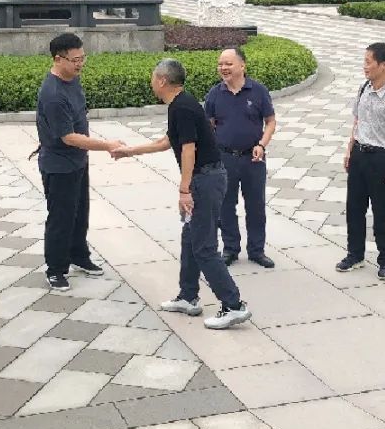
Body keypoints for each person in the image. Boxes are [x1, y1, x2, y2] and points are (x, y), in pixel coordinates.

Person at [113, 59, 252, 330]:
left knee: (204, 247)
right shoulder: (179, 105)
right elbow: (166, 142)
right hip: (206, 178)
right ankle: (188, 296)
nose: (151, 82)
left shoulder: (183, 107)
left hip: (204, 181)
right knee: (190, 238)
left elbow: (189, 149)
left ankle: (234, 305)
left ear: (162, 80)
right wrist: (129, 151)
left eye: (153, 77)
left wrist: (184, 190)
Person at [36, 33, 123, 292]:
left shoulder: (72, 80)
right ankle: (55, 269)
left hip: (77, 161)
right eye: (75, 60)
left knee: (79, 212)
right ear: (58, 59)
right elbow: (69, 137)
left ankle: (78, 255)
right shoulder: (53, 94)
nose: (80, 64)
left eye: (83, 58)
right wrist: (107, 145)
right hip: (59, 165)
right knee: (61, 218)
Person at [336, 42, 385, 281]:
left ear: (384, 65)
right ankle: (355, 254)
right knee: (354, 207)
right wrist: (349, 149)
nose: (365, 66)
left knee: (382, 210)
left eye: (368, 62)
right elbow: (357, 121)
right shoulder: (364, 88)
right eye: (365, 61)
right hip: (359, 154)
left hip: (380, 158)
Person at [204, 47, 277, 268]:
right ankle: (230, 248)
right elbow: (209, 126)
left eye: (228, 63)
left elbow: (270, 121)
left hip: (253, 159)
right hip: (225, 158)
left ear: (242, 65)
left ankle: (257, 250)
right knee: (225, 205)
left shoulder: (258, 91)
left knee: (256, 206)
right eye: (220, 64)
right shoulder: (215, 94)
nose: (223, 68)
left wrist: (262, 145)